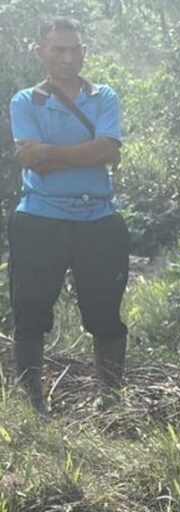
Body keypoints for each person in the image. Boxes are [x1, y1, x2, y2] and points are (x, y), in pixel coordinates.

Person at [7, 16, 129, 415]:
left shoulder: (104, 95)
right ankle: (32, 405)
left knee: (105, 313)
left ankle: (110, 400)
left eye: (74, 49)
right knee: (30, 312)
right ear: (40, 51)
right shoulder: (26, 100)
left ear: (85, 53)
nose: (67, 57)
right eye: (58, 49)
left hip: (99, 220)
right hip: (39, 220)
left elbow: (107, 150)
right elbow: (32, 161)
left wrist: (50, 153)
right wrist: (88, 152)